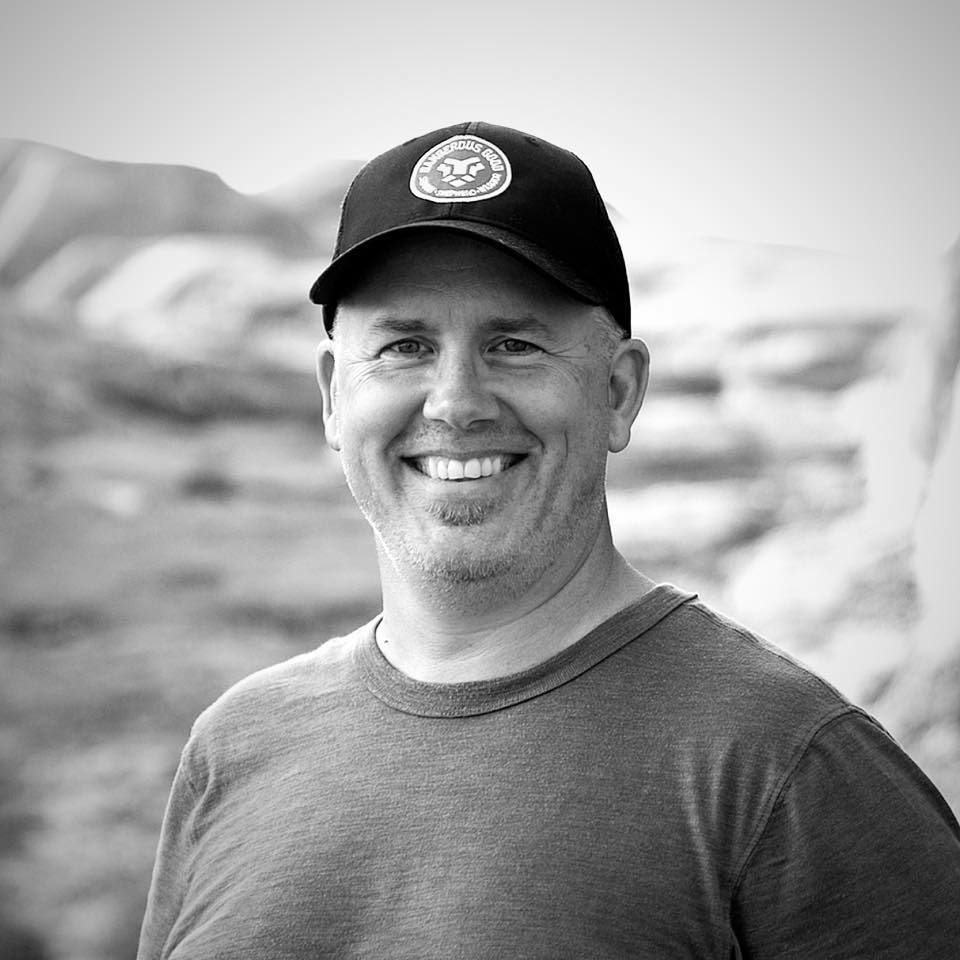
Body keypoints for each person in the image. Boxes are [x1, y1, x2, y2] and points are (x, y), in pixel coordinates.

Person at [137, 122, 960, 959]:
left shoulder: (787, 767)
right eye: (404, 346)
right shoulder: (233, 748)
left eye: (514, 345)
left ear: (619, 391)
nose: (456, 402)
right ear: (331, 397)